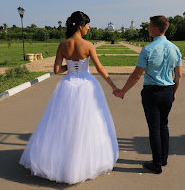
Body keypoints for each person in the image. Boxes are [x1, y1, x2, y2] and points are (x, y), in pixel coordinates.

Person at [19, 11, 119, 184]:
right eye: (87, 25)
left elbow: (57, 70)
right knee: (87, 123)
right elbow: (100, 69)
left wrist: (70, 68)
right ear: (80, 26)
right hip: (86, 85)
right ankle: (82, 162)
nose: (88, 28)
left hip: (68, 84)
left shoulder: (63, 45)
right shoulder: (88, 45)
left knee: (63, 123)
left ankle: (61, 161)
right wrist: (114, 87)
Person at [114, 15, 182, 174]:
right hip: (167, 91)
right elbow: (178, 76)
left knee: (154, 128)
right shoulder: (175, 48)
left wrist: (122, 91)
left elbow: (136, 76)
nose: (147, 28)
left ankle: (156, 164)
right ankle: (163, 158)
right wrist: (174, 92)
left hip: (152, 93)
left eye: (150, 26)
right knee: (164, 125)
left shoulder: (148, 49)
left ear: (156, 29)